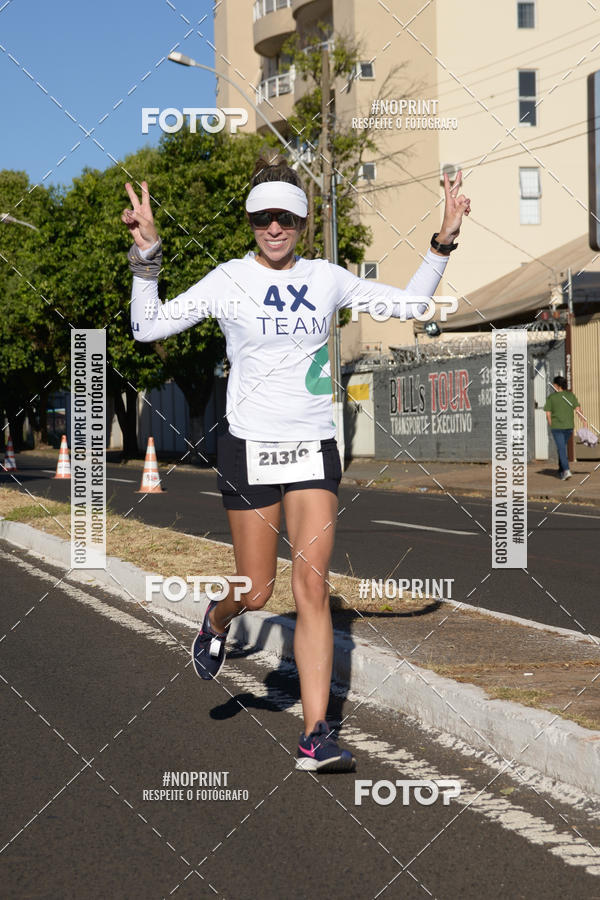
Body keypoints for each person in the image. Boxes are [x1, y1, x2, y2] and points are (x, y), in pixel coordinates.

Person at [122, 154, 470, 773]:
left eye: (285, 217)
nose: (274, 228)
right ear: (251, 222)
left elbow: (413, 306)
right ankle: (217, 619)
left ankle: (315, 736)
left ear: (303, 222)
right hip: (249, 446)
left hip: (312, 445)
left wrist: (443, 238)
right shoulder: (228, 279)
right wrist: (146, 257)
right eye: (263, 218)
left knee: (312, 586)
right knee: (256, 590)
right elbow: (147, 327)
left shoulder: (328, 278)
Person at [544, 375, 585, 479]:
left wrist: (551, 425)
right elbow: (578, 410)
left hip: (557, 428)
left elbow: (548, 414)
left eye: (554, 384)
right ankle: (561, 469)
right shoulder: (570, 396)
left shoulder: (551, 397)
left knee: (561, 448)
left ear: (556, 385)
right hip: (569, 427)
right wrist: (584, 421)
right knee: (562, 447)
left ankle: (566, 470)